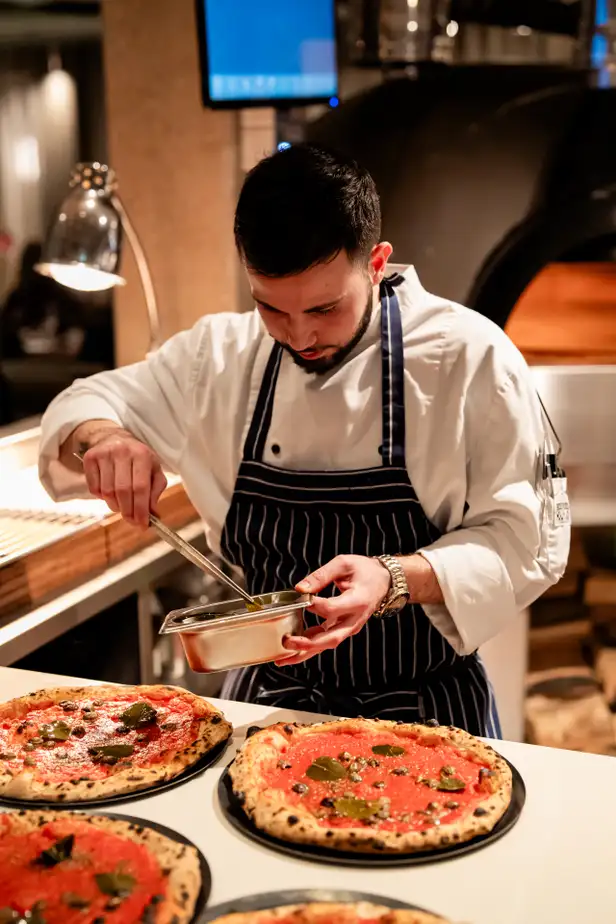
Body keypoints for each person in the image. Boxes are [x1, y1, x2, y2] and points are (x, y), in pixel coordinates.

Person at [38, 144, 570, 734]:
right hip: (266, 705)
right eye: (271, 308)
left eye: (324, 308)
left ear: (377, 263)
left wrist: (395, 577)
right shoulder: (220, 355)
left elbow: (526, 542)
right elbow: (83, 402)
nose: (299, 337)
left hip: (429, 711)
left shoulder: (468, 357)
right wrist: (106, 437)